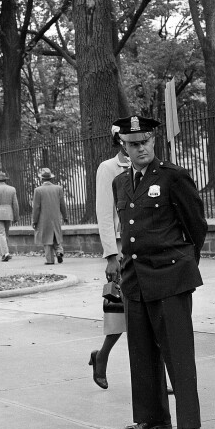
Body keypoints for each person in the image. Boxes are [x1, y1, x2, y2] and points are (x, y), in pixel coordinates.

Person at [111, 115, 208, 429]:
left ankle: (189, 422)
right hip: (136, 279)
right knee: (140, 351)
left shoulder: (173, 177)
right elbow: (128, 230)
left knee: (177, 351)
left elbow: (196, 226)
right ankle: (151, 417)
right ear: (123, 148)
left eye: (146, 142)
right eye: (133, 144)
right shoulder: (120, 183)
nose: (141, 148)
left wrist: (183, 264)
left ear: (154, 141)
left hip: (170, 277)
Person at [89, 126, 132, 389]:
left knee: (154, 314)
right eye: (128, 140)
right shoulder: (108, 168)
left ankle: (158, 376)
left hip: (147, 246)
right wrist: (110, 255)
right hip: (122, 248)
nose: (135, 145)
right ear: (119, 141)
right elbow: (104, 213)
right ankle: (102, 356)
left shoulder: (150, 164)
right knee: (119, 311)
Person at [32, 168, 68, 265]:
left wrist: (34, 221)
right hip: (56, 218)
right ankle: (59, 252)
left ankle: (50, 260)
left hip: (44, 219)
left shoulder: (38, 190)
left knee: (47, 239)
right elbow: (62, 204)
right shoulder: (58, 188)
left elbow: (36, 207)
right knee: (56, 236)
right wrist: (65, 216)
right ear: (51, 178)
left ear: (41, 179)